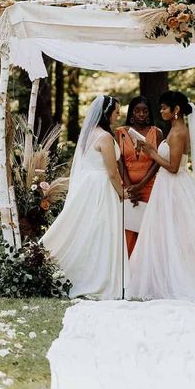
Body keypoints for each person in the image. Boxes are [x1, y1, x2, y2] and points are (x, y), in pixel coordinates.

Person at [127, 90, 195, 306]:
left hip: (173, 187)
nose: (161, 111)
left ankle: (179, 276)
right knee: (166, 233)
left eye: (165, 107)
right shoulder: (174, 129)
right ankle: (163, 274)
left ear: (176, 110)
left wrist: (151, 152)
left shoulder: (178, 132)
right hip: (167, 186)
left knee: (177, 232)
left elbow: (173, 167)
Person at [41, 95, 129, 299]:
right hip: (101, 189)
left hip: (88, 188)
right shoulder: (105, 138)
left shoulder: (89, 134)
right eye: (116, 112)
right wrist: (122, 193)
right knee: (101, 232)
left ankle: (84, 273)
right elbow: (113, 172)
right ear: (107, 113)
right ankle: (98, 278)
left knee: (87, 230)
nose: (118, 116)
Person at [115, 96, 163, 256]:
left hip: (149, 187)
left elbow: (157, 162)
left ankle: (146, 269)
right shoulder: (120, 132)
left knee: (147, 228)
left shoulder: (156, 133)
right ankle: (127, 268)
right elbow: (119, 160)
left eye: (145, 110)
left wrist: (141, 185)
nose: (141, 114)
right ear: (131, 113)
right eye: (137, 111)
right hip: (126, 187)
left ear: (149, 113)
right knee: (128, 227)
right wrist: (129, 187)